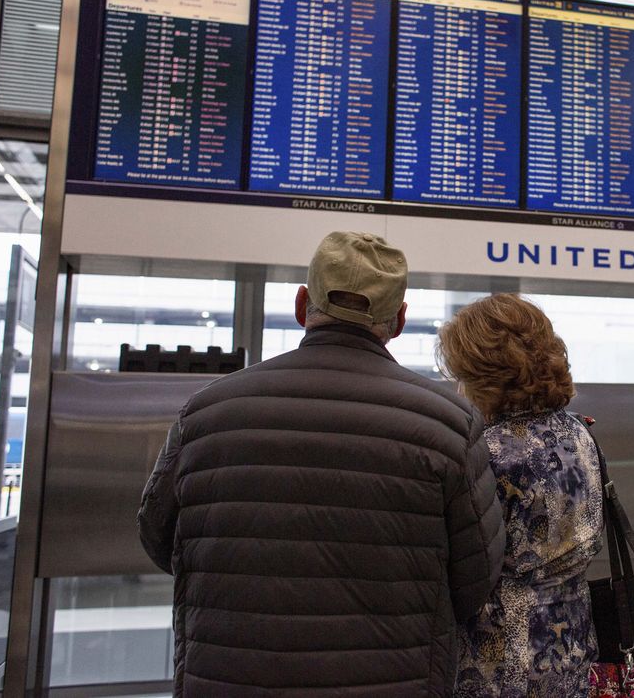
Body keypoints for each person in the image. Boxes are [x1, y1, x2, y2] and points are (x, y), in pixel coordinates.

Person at [136, 232, 506, 696]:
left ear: (301, 303)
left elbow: (157, 536)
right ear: (399, 321)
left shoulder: (206, 412)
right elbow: (475, 579)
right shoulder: (449, 424)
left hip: (228, 677)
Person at [436, 293, 604, 697]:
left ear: (483, 375)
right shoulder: (578, 432)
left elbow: (462, 570)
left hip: (502, 663)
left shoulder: (488, 453)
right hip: (573, 647)